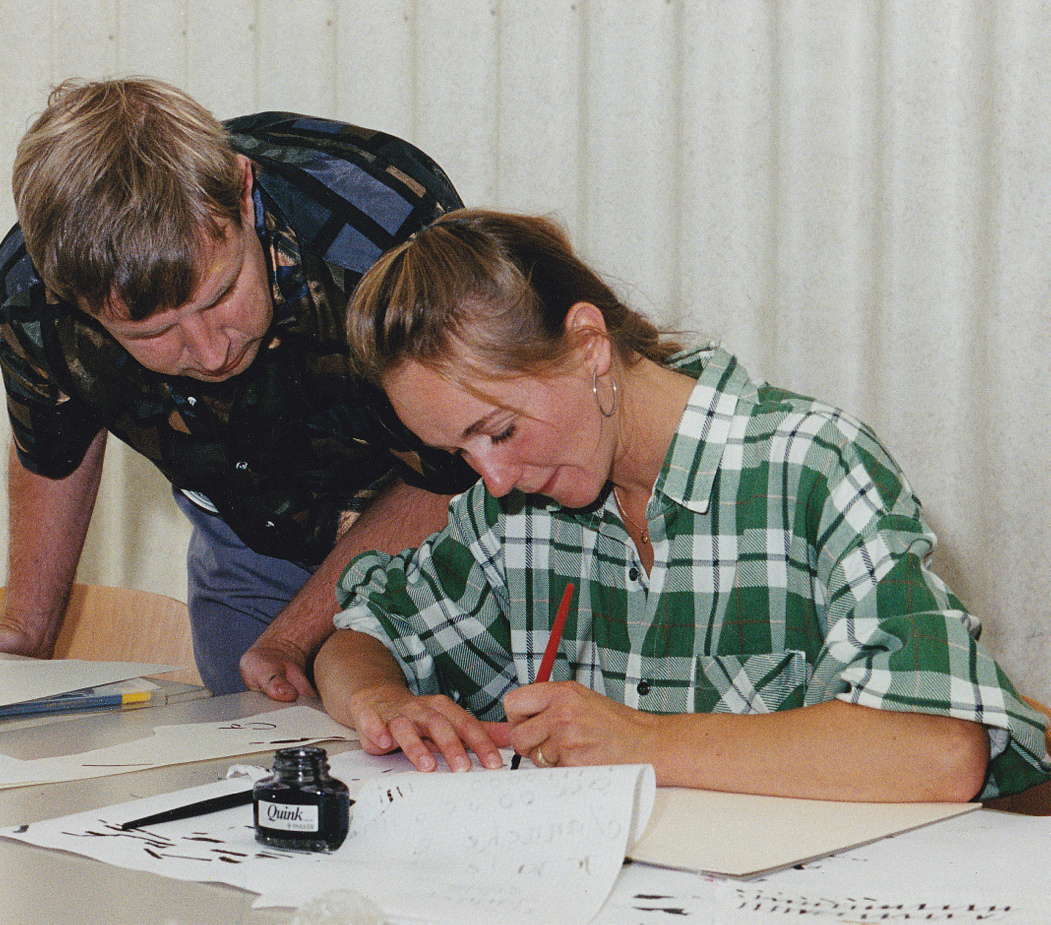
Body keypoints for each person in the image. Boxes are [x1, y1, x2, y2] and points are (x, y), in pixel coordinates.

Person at [314, 208, 1051, 801]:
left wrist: (645, 742)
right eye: (462, 454)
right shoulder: (513, 513)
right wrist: (380, 700)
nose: (495, 478)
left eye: (500, 430)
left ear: (588, 345)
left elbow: (941, 751)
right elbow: (358, 634)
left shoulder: (810, 467)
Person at [0, 78, 473, 695]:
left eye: (223, 294)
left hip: (435, 518)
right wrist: (26, 627)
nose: (210, 351)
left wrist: (291, 636)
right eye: (153, 332)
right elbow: (53, 446)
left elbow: (456, 464)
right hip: (246, 523)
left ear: (243, 192)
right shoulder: (32, 296)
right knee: (248, 748)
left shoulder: (382, 226)